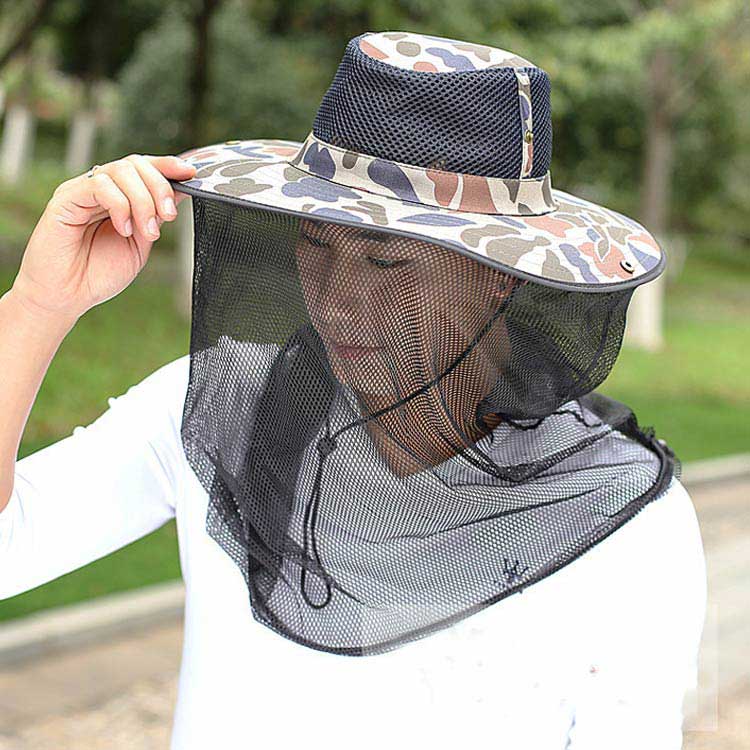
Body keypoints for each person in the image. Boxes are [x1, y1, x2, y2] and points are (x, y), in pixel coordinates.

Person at [1, 29, 707, 750]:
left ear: (500, 275)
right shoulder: (220, 403)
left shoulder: (632, 526)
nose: (337, 302)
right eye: (316, 244)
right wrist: (37, 305)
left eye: (386, 261)